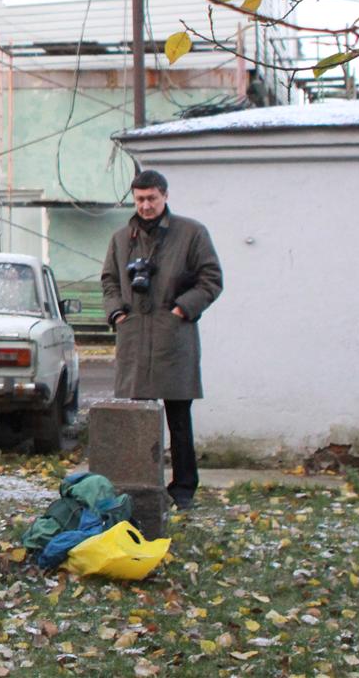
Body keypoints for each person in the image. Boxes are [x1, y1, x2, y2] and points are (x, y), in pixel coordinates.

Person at [100, 169, 222, 511]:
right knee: (138, 418)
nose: (146, 205)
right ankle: (141, 484)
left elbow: (211, 278)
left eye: (152, 198)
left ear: (165, 196)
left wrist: (183, 309)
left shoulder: (191, 233)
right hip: (135, 336)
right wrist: (116, 313)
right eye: (139, 199)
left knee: (179, 418)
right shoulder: (121, 238)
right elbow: (109, 280)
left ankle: (183, 489)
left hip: (173, 337)